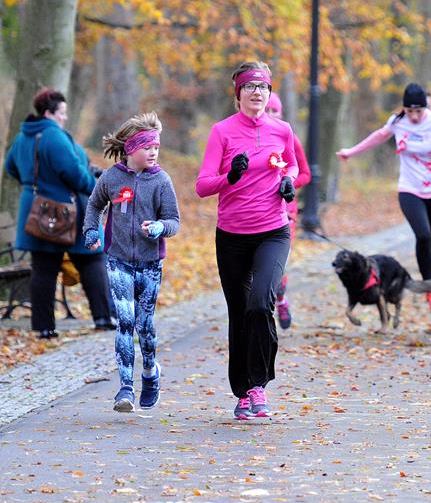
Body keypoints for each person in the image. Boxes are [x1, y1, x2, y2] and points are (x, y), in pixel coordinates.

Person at [196, 61, 298, 420]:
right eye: (250, 86)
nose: (257, 92)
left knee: (260, 303)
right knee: (239, 313)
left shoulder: (282, 129)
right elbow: (202, 185)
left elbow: (292, 166)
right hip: (232, 236)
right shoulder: (221, 132)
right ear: (238, 93)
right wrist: (230, 176)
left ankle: (259, 385)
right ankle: (242, 393)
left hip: (273, 231)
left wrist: (288, 182)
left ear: (270, 93)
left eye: (263, 87)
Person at [337, 83, 431, 321]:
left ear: (425, 108)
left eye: (418, 111)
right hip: (410, 189)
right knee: (423, 236)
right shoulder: (397, 121)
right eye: (409, 111)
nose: (413, 116)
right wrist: (351, 152)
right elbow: (378, 136)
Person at [84, 112, 180, 412]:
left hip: (150, 263)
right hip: (118, 259)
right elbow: (94, 205)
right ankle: (125, 388)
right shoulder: (112, 178)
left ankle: (150, 372)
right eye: (147, 147)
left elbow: (174, 221)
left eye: (156, 147)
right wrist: (91, 230)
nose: (153, 152)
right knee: (125, 321)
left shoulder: (161, 180)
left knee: (144, 325)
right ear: (131, 148)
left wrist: (160, 227)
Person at [3, 88, 115, 339]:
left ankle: (44, 328)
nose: (65, 117)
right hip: (66, 212)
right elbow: (74, 174)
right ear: (48, 113)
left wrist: (34, 186)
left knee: (43, 268)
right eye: (61, 112)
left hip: (35, 212)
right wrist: (97, 188)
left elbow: (10, 167)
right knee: (91, 258)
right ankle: (104, 317)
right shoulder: (54, 136)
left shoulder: (23, 136)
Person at [265, 92, 311, 329]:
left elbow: (305, 174)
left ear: (281, 113)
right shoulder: (252, 139)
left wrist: (287, 183)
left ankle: (280, 299)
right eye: (267, 110)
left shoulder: (289, 137)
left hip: (285, 211)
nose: (270, 114)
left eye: (274, 110)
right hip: (257, 209)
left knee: (277, 263)